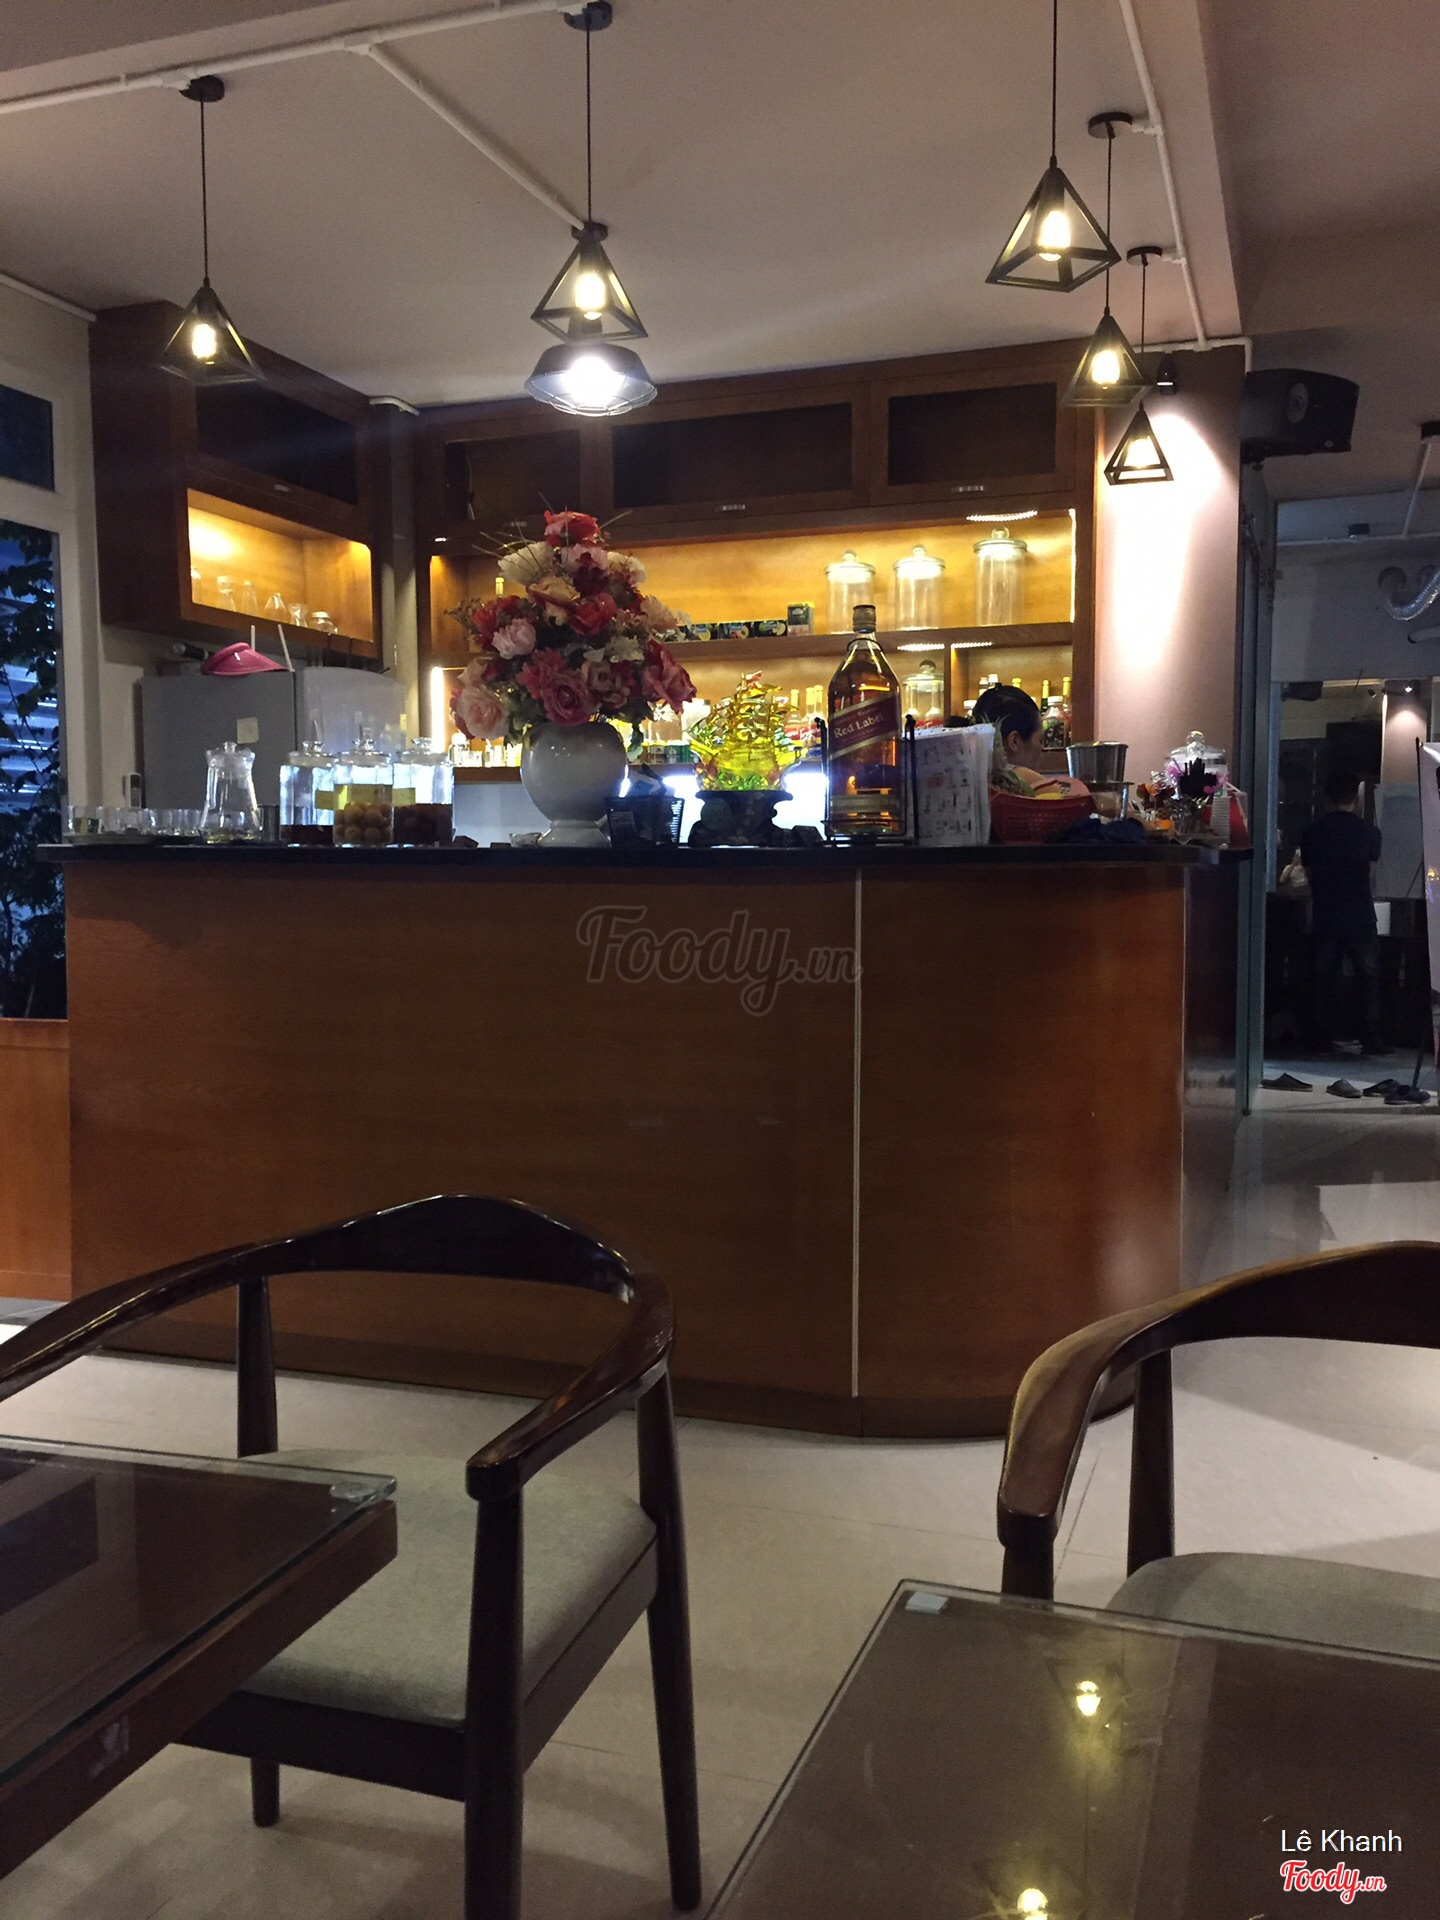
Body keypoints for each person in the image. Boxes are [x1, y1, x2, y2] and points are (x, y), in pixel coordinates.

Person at [1299, 767, 1385, 1056]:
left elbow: (1310, 874)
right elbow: (1370, 874)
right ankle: (1370, 1038)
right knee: (1367, 976)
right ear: (1355, 798)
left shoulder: (1312, 832)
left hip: (1327, 912)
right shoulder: (1370, 833)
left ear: (1327, 797)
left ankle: (1320, 1037)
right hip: (1360, 912)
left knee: (1324, 977)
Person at [972, 685, 1087, 795]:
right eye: (1040, 740)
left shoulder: (969, 782)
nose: (1042, 754)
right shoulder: (1027, 782)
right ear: (1014, 741)